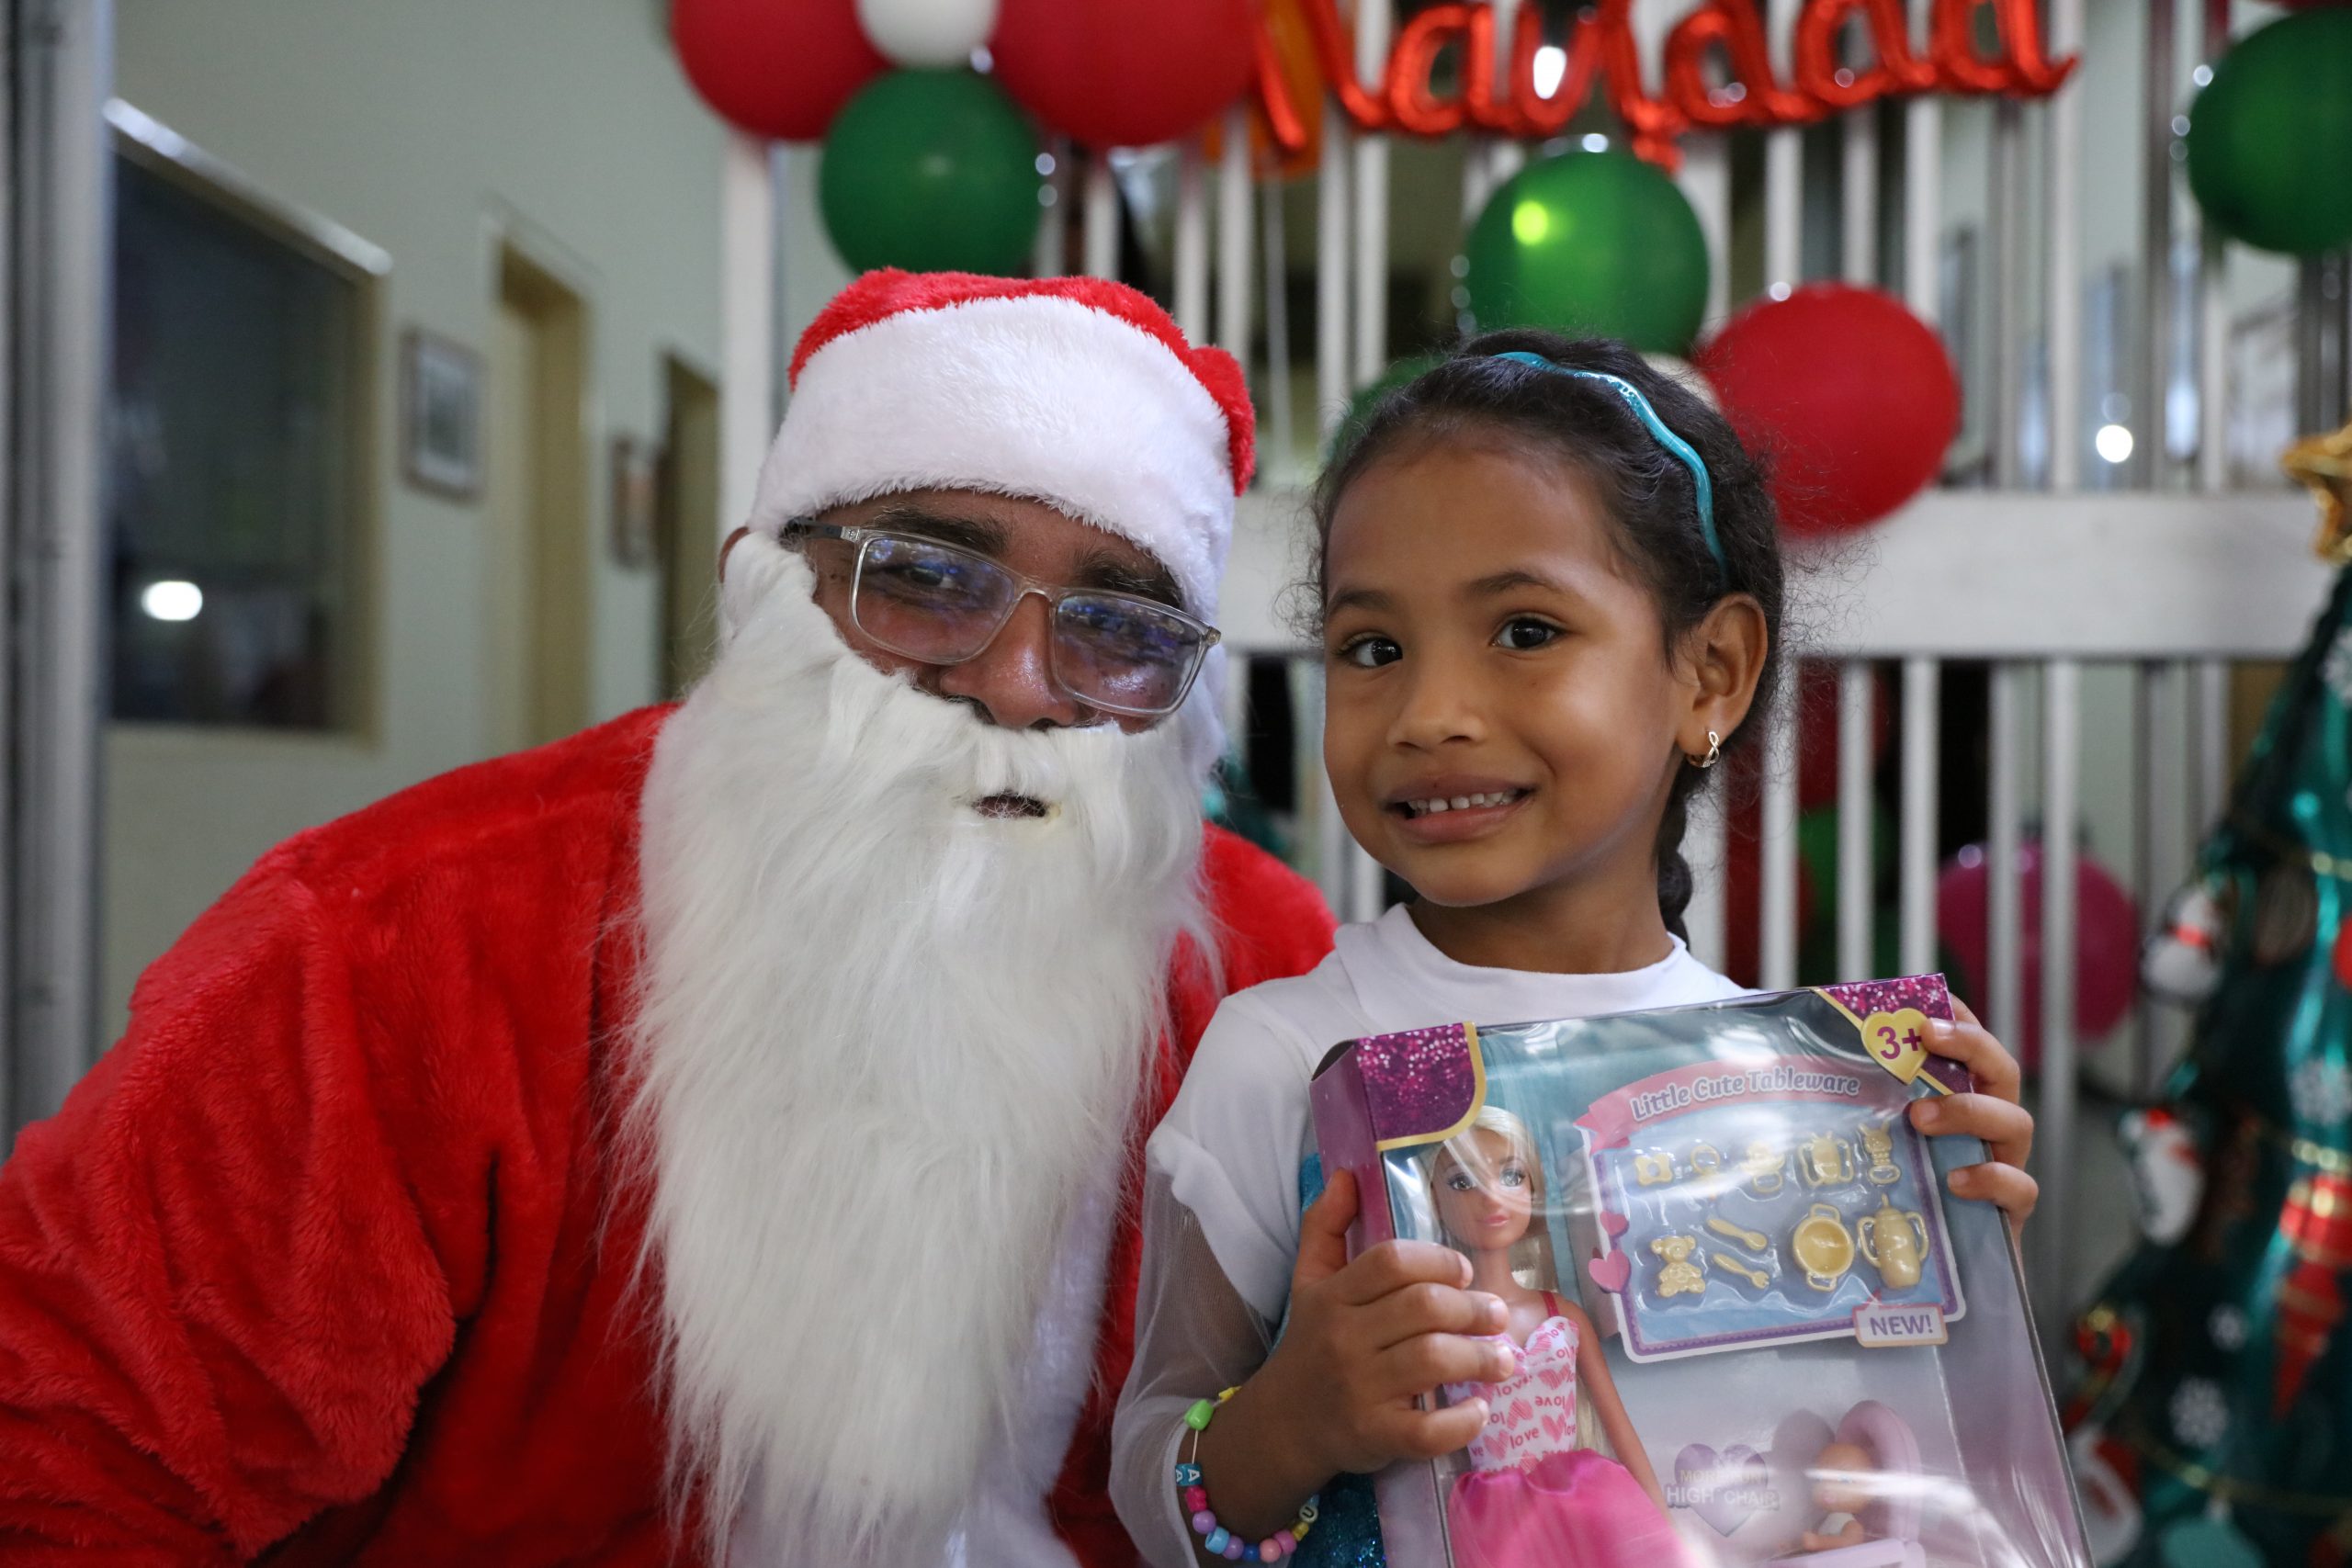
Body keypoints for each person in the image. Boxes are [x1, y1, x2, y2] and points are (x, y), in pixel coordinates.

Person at [0, 270, 1335, 1567]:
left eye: (1115, 625)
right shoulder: (397, 939)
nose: (1016, 684)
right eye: (926, 576)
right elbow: (69, 1458)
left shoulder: (1267, 968)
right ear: (762, 577)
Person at [1109, 334, 2039, 1566]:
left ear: (1711, 672)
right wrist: (1293, 1415)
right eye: (1373, 648)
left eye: (1526, 629)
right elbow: (1144, 1475)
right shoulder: (1283, 1052)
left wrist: (1959, 1263)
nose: (1433, 711)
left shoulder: (1805, 1091)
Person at [1426, 1107, 1676, 1568]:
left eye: (1511, 1175)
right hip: (1498, 1517)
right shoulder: (1442, 1326)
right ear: (1434, 1200)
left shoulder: (1562, 1313)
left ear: (1535, 1189)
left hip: (1585, 1494)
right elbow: (1425, 1441)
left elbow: (1619, 1428)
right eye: (1463, 1182)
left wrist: (1663, 1522)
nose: (1490, 1197)